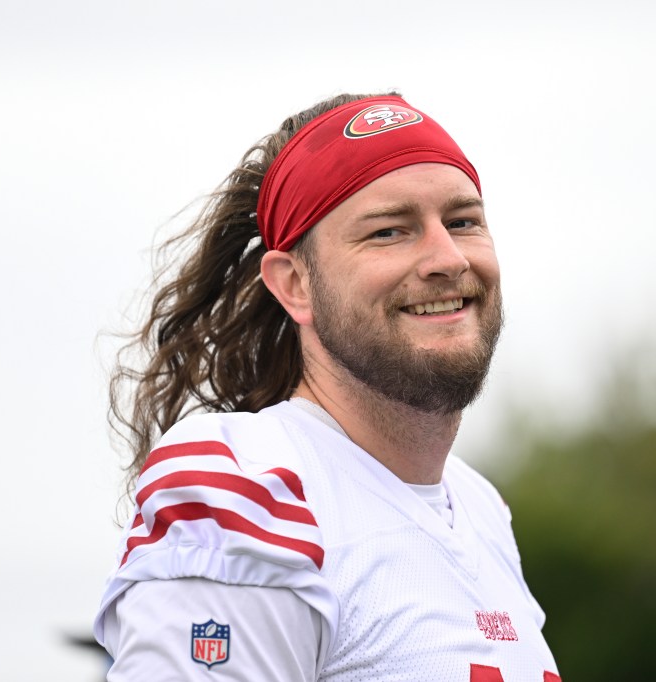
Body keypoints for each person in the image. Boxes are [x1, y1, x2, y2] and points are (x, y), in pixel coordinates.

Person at [94, 92, 560, 681]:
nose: (447, 257)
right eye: (390, 231)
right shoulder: (251, 485)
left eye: (463, 221)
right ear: (294, 285)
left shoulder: (479, 507)